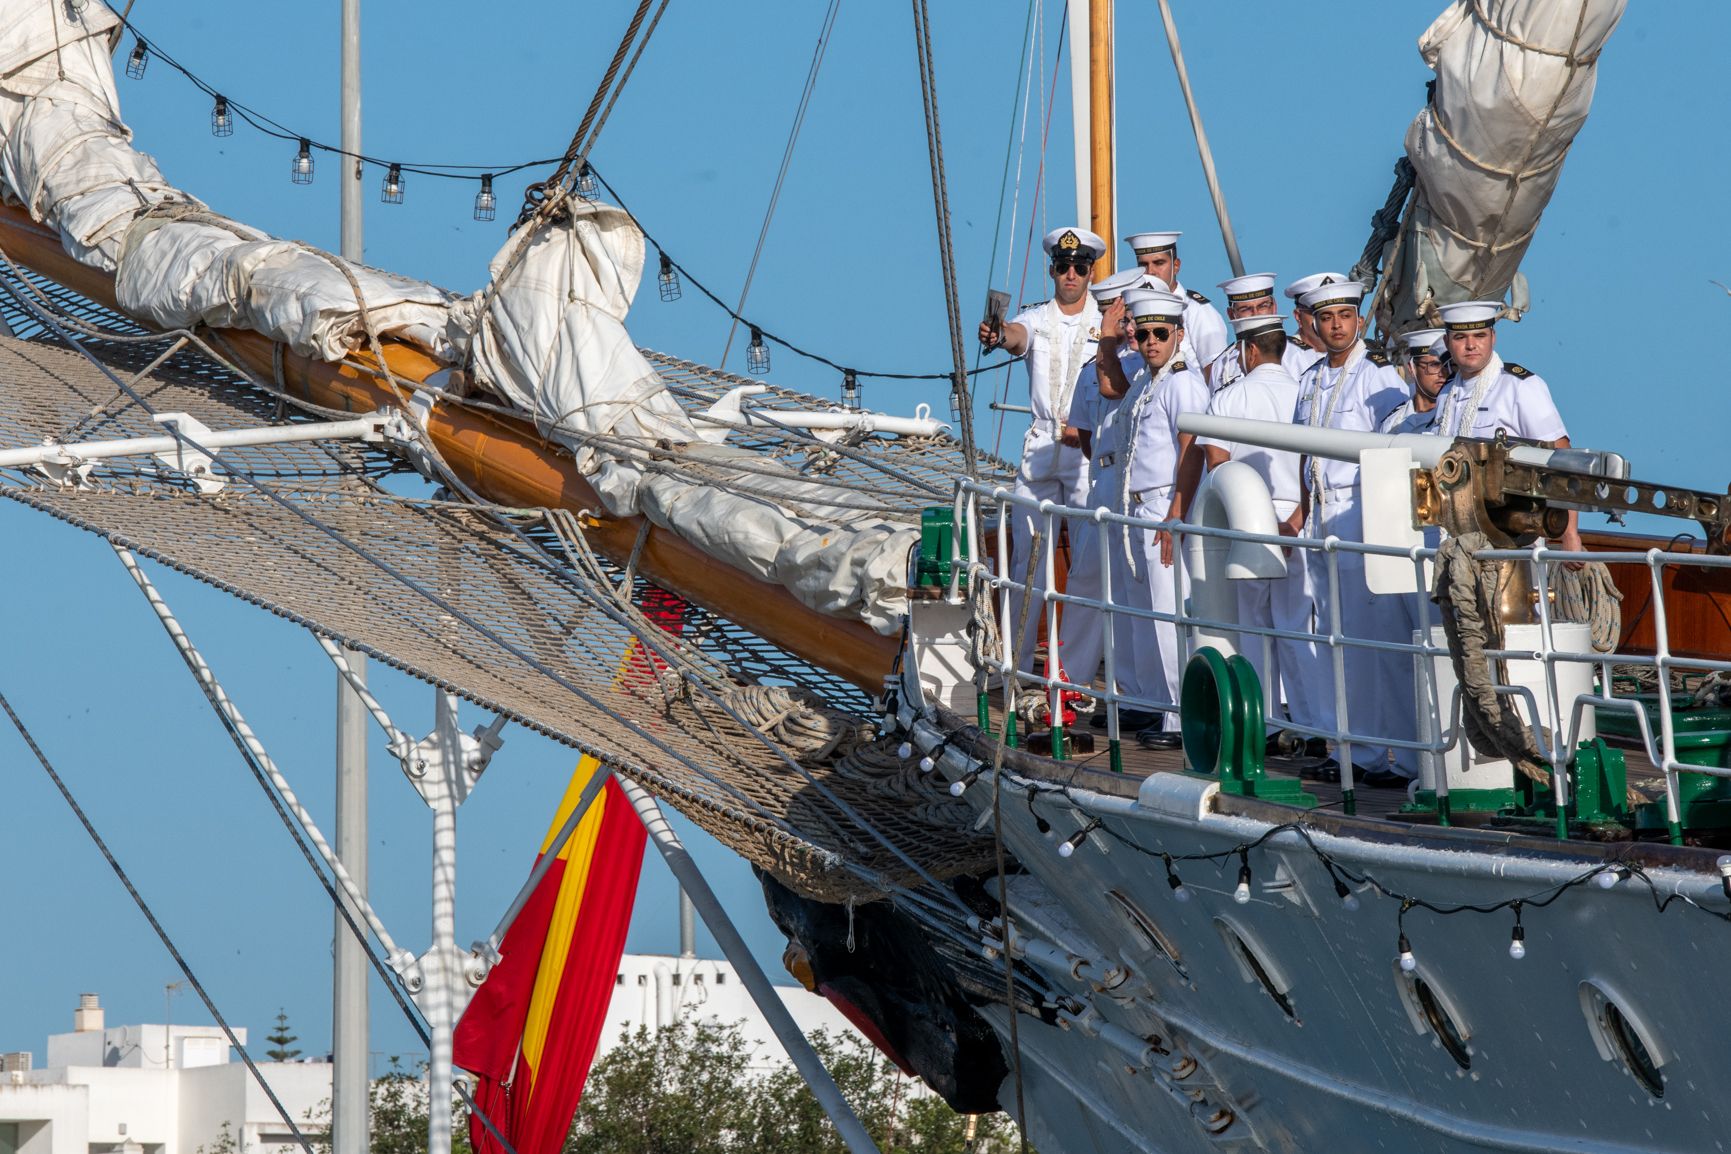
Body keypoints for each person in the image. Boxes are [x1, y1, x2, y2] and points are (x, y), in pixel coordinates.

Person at [1284, 278, 1414, 786]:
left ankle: (1401, 756)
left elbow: (1396, 453)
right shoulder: (1310, 379)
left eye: (1344, 316)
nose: (1335, 325)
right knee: (1339, 641)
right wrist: (1301, 511)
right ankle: (1356, 751)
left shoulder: (1378, 379)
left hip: (1361, 516)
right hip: (1321, 519)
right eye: (1326, 317)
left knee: (1380, 645)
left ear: (1358, 319)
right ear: (1313, 323)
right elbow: (1303, 453)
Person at [1177, 312, 1319, 753]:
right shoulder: (1306, 392)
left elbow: (1218, 464)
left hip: (1248, 518)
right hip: (1299, 517)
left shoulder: (1230, 396)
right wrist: (1295, 519)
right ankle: (1315, 727)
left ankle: (1266, 721)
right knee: (1298, 628)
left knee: (1253, 625)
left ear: (1248, 350)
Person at [978, 226, 1105, 674]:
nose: (1071, 275)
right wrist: (998, 334)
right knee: (1025, 559)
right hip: (1041, 445)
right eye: (1063, 267)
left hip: (1085, 448)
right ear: (1052, 270)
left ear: (1091, 272)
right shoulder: (1038, 317)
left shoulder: (1104, 321)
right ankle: (1016, 661)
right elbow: (1017, 336)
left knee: (1089, 560)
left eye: (1080, 268)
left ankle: (1079, 667)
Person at [1096, 287, 1210, 749]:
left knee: (1169, 617)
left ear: (1178, 335)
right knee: (1143, 616)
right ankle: (1159, 707)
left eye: (1160, 334)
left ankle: (1184, 718)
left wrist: (1175, 515)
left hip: (1164, 506)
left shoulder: (1183, 381)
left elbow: (1192, 450)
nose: (1151, 342)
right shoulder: (1145, 382)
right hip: (1135, 507)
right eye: (1143, 334)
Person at [1059, 268, 1161, 730]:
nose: (1117, 322)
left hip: (1131, 482)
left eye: (1119, 313)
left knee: (1135, 590)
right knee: (1091, 583)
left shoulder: (1140, 366)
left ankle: (1144, 697)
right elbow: (1082, 433)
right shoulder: (1091, 367)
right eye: (1109, 313)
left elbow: (1112, 388)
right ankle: (1075, 683)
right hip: (1100, 481)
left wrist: (1106, 344)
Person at [1123, 231, 1228, 370]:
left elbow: (1216, 371)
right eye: (1143, 265)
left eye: (1158, 263)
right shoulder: (1135, 312)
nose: (1150, 272)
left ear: (1176, 265)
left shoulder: (1197, 310)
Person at [1204, 273, 1324, 390]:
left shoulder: (1301, 355)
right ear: (1231, 314)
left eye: (1262, 306)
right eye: (1245, 309)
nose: (1255, 314)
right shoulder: (1222, 364)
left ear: (1274, 307)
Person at [1379, 328, 1448, 435]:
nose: (1443, 373)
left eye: (1447, 366)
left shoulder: (1453, 417)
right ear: (1412, 368)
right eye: (1434, 365)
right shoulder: (1392, 423)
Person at [1280, 272, 1340, 377]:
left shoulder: (1357, 357)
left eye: (1337, 313)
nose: (1331, 322)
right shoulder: (1281, 356)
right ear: (1298, 316)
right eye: (1316, 313)